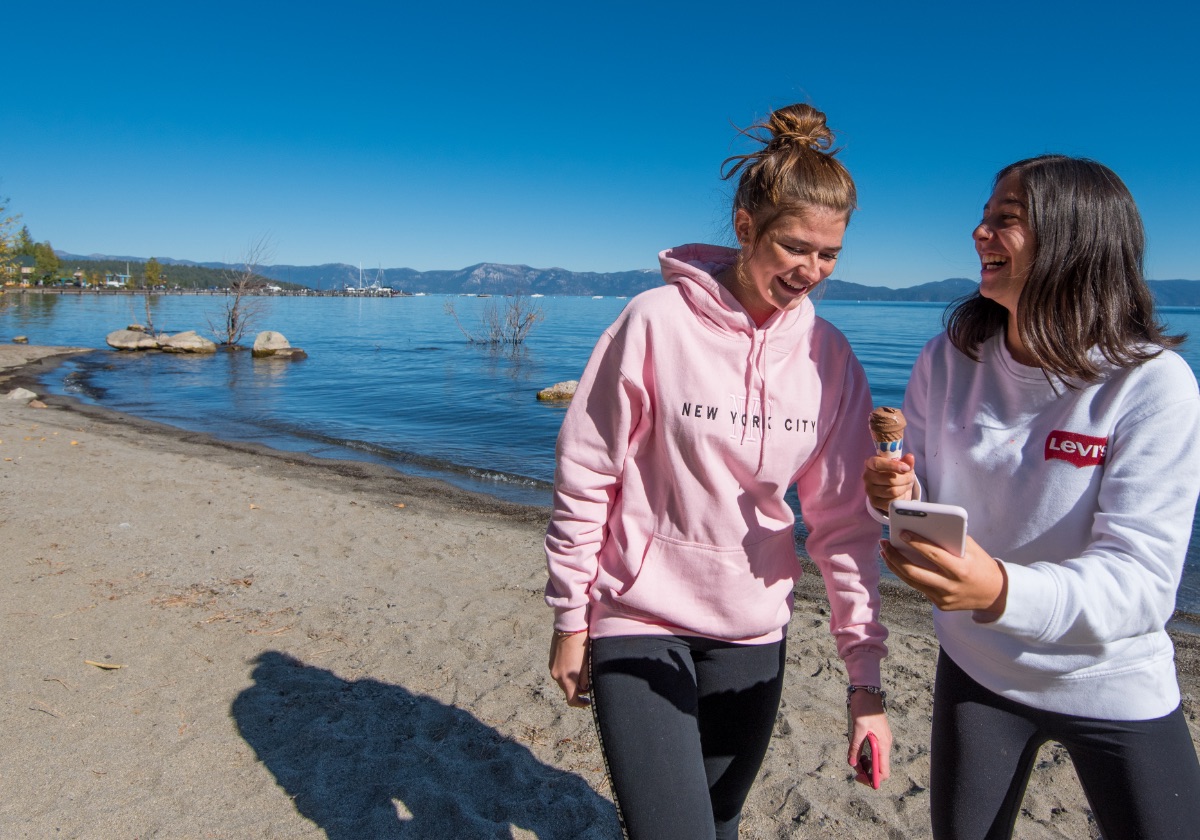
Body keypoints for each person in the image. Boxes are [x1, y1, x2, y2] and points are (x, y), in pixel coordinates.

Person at [544, 103, 892, 840]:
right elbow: (587, 470)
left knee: (720, 819)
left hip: (754, 629)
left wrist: (865, 681)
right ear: (744, 227)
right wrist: (572, 617)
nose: (812, 272)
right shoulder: (653, 321)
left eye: (830, 254)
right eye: (796, 247)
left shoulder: (830, 360)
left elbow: (843, 529)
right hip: (640, 615)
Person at [864, 154, 1200, 840]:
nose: (980, 233)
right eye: (985, 218)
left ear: (1075, 239)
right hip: (977, 669)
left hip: (1110, 678)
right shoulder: (948, 358)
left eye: (1005, 220)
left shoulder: (1150, 384)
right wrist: (892, 494)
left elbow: (1142, 584)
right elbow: (919, 500)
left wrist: (999, 591)